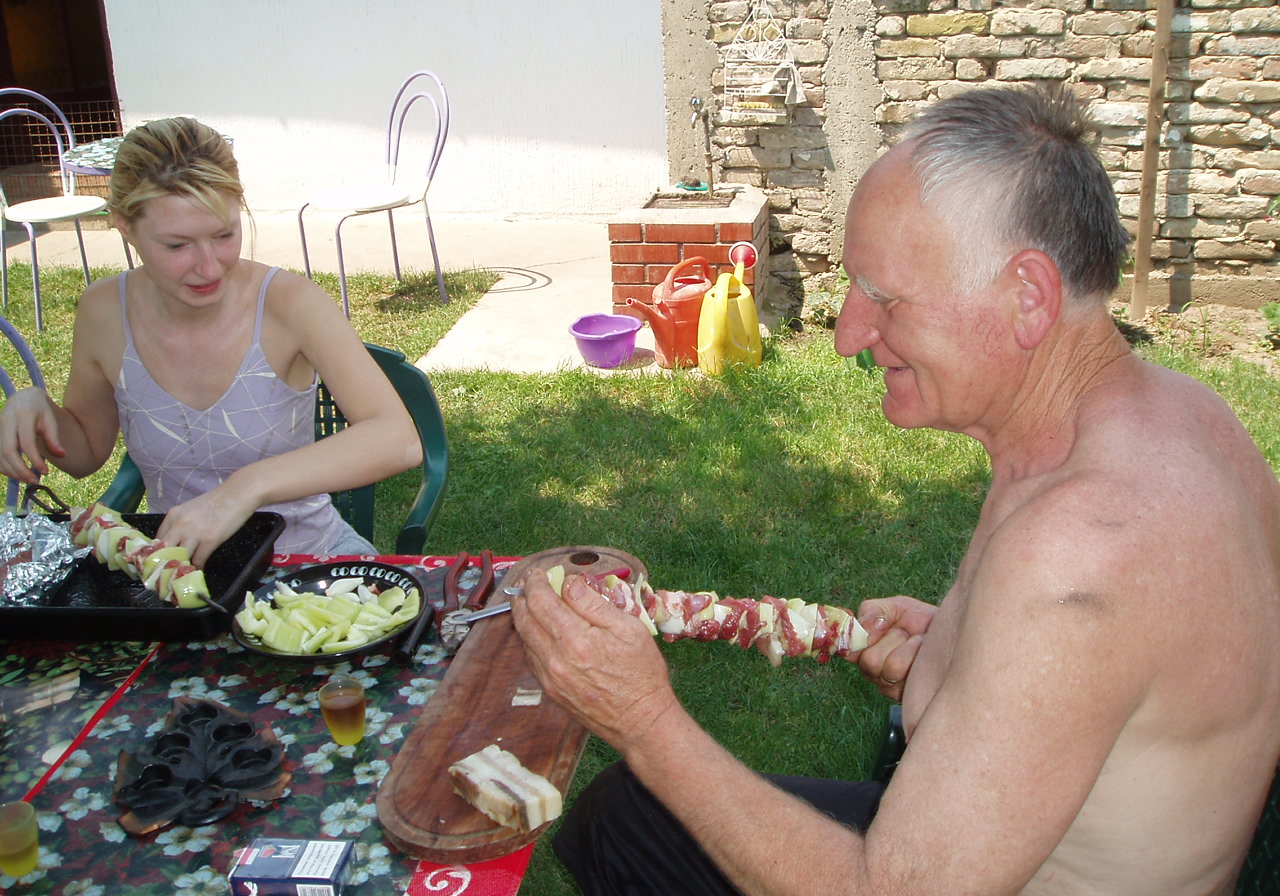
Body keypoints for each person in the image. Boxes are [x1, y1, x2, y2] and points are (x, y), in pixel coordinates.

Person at [511, 83, 1280, 896]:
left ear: (1028, 296)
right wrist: (965, 646)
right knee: (621, 819)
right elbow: (1111, 675)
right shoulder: (1188, 417)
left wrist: (644, 721)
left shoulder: (1078, 555)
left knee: (638, 805)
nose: (849, 335)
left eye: (884, 298)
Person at [0, 117, 422, 564]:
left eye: (223, 235)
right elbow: (84, 454)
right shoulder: (104, 310)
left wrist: (244, 488)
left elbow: (398, 439)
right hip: (180, 573)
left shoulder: (289, 303)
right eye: (177, 245)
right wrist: (36, 406)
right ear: (124, 226)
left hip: (306, 561)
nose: (208, 266)